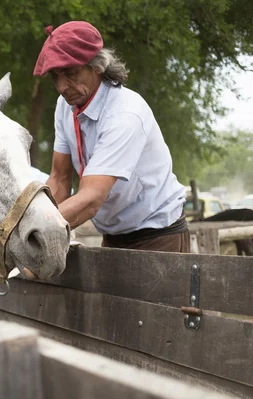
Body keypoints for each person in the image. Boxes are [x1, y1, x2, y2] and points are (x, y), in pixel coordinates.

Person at [32, 21, 188, 253]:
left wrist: (29, 231)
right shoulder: (66, 106)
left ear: (97, 66)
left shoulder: (125, 114)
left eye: (71, 73)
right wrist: (29, 220)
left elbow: (91, 199)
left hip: (158, 236)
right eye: (55, 77)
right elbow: (59, 180)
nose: (62, 87)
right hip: (113, 236)